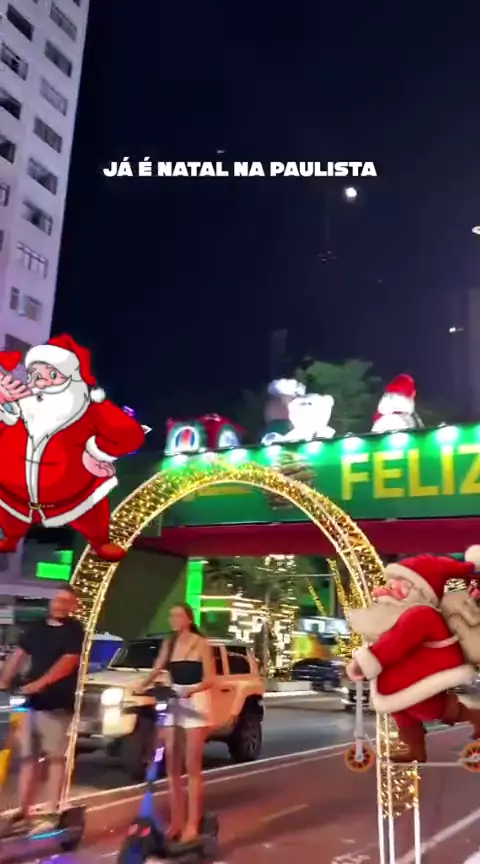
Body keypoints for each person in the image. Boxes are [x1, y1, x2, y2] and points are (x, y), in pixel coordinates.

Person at [0, 334, 145, 562]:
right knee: (10, 515)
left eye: (52, 375)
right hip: (15, 494)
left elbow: (129, 435)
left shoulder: (89, 409)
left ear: (72, 378)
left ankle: (100, 542)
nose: (41, 383)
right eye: (35, 376)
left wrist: (95, 451)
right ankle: (11, 537)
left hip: (74, 495)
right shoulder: (20, 407)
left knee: (92, 514)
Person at [346, 548, 480, 763]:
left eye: (395, 584)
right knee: (399, 707)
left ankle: (473, 715)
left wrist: (365, 662)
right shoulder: (408, 613)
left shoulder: (420, 613)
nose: (386, 590)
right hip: (424, 663)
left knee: (421, 706)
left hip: (436, 662)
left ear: (416, 588)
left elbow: (395, 644)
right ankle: (416, 749)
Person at [0, 585, 84, 831]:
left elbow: (68, 663)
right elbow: (19, 654)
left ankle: (52, 809)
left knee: (55, 757)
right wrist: (4, 679)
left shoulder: (74, 630)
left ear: (73, 606)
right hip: (31, 702)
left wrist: (40, 683)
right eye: (57, 600)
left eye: (66, 601)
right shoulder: (37, 627)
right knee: (28, 756)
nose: (60, 605)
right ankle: (24, 809)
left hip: (56, 702)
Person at [139, 603, 214, 844]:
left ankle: (193, 825)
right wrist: (141, 686)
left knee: (192, 765)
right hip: (174, 700)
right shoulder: (169, 643)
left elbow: (210, 678)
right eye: (171, 615)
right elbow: (157, 668)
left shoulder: (200, 643)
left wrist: (191, 690)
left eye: (178, 615)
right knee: (171, 764)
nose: (174, 619)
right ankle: (177, 822)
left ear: (189, 619)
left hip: (196, 701)